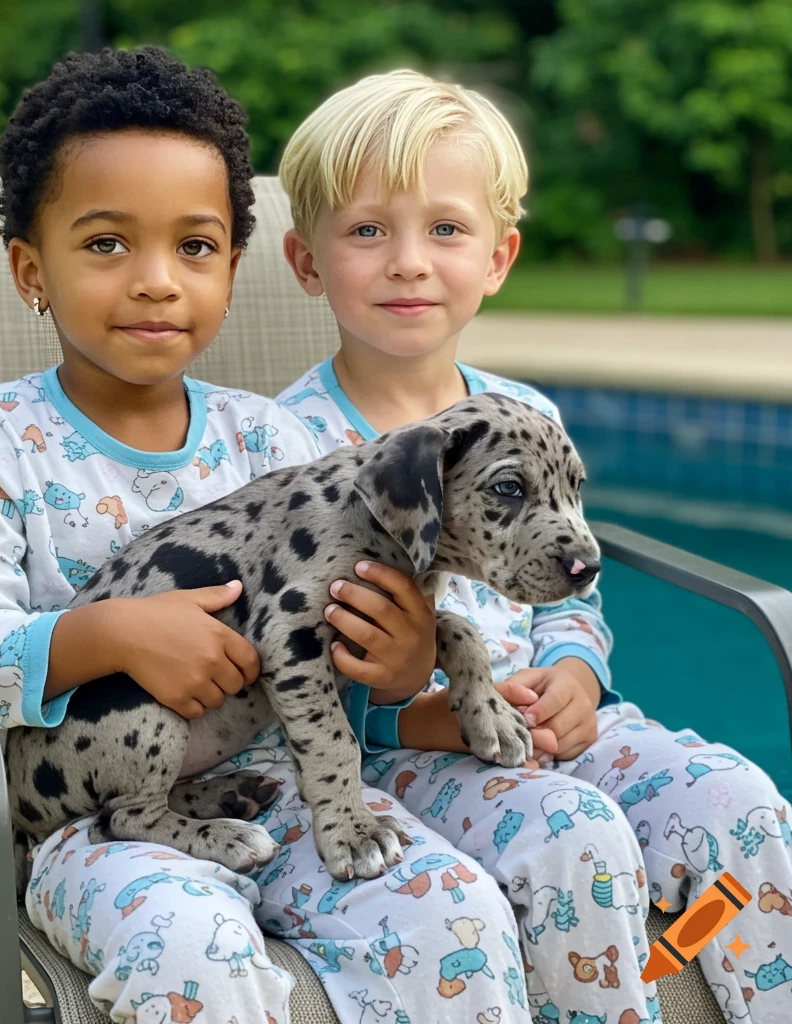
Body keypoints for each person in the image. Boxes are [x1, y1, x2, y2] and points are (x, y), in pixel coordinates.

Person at [0, 47, 533, 1023]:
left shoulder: (269, 438)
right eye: (107, 244)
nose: (157, 281)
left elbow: (353, 624)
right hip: (93, 824)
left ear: (235, 268)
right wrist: (110, 637)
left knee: (451, 913)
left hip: (271, 781)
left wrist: (407, 660)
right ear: (31, 270)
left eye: (194, 247)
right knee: (195, 952)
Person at [277, 68, 792, 1024]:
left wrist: (576, 674)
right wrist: (409, 703)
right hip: (409, 758)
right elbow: (294, 678)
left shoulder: (530, 418)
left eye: (445, 229)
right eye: (365, 231)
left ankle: (740, 993)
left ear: (499, 255)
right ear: (307, 262)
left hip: (564, 728)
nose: (407, 262)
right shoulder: (283, 452)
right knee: (572, 837)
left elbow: (571, 591)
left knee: (742, 804)